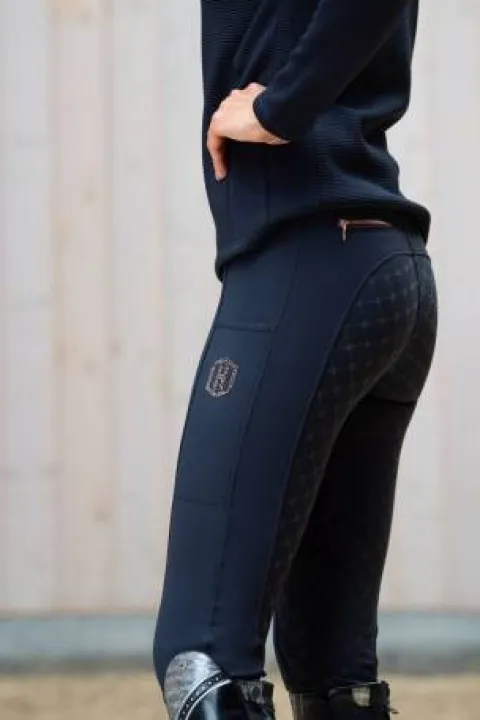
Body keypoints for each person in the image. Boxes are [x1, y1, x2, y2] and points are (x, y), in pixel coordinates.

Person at [153, 1, 438, 719]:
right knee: (333, 671)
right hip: (376, 268)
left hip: (307, 268)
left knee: (201, 659)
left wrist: (279, 108)